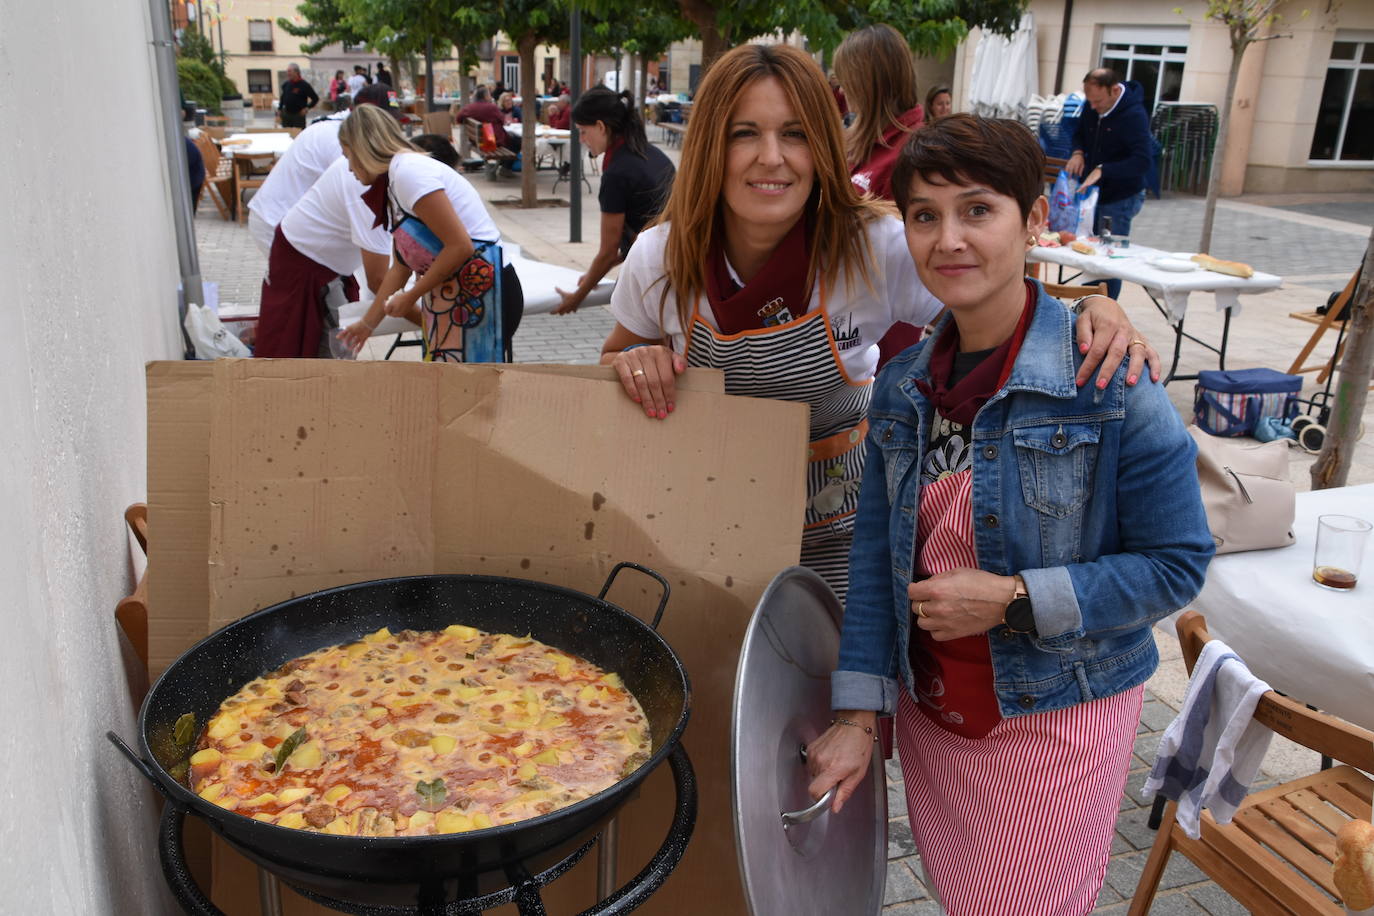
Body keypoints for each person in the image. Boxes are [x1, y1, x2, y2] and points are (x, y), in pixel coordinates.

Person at [804, 114, 1213, 915]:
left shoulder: (1109, 378)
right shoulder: (902, 384)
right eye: (925, 215)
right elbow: (873, 564)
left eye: (977, 209)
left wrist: (1015, 598)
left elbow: (1177, 563)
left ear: (1034, 221)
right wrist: (859, 713)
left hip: (1057, 716)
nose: (949, 238)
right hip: (935, 718)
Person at [596, 44, 1158, 599]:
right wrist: (634, 361)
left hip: (840, 524)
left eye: (794, 133)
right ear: (709, 146)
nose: (772, 157)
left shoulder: (872, 245)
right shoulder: (660, 256)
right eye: (745, 133)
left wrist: (1087, 309)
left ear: (822, 142)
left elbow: (1000, 313)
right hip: (704, 518)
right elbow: (611, 360)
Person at [337, 106, 524, 362]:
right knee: (454, 391)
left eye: (348, 156)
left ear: (364, 150)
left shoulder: (409, 174)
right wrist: (367, 324)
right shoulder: (394, 180)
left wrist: (411, 296)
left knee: (469, 391)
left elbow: (460, 246)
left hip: (486, 294)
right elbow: (400, 268)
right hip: (460, 295)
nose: (349, 168)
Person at [833, 23, 927, 367]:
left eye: (847, 79)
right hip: (844, 309)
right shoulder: (864, 139)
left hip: (882, 329)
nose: (843, 89)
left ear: (870, 82)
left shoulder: (913, 151)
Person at [254, 151, 393, 358]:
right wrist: (422, 321)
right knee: (308, 346)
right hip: (305, 260)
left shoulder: (373, 170)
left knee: (332, 343)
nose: (347, 164)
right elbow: (379, 281)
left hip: (319, 255)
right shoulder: (364, 187)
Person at [554, 86, 675, 315]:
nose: (582, 139)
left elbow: (609, 251)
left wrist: (576, 299)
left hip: (659, 278)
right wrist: (593, 275)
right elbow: (646, 226)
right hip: (679, 266)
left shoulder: (617, 173)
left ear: (600, 127)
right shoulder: (651, 154)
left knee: (618, 349)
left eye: (582, 131)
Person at [247, 82, 400, 257]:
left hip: (285, 218)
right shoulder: (343, 139)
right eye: (387, 122)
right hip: (276, 221)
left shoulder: (344, 129)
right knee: (307, 278)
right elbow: (363, 202)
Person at [1067, 68, 1152, 299]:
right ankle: (1086, 303)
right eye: (1089, 101)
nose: (1093, 107)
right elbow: (1079, 133)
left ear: (1114, 90)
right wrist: (1078, 152)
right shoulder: (1092, 104)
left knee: (1109, 259)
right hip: (1094, 194)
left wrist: (1104, 170)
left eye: (1098, 101)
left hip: (1121, 196)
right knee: (1091, 256)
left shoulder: (1134, 115)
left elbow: (1142, 161)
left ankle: (1104, 309)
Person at [458, 86, 520, 154]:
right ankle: (508, 164)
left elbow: (459, 118)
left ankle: (506, 164)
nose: (491, 97)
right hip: (493, 141)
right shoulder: (491, 107)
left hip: (476, 142)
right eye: (490, 95)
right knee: (518, 141)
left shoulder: (469, 107)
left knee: (514, 139)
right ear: (486, 96)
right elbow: (503, 121)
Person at [279, 64, 319, 130]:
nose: (288, 73)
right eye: (287, 71)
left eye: (289, 71)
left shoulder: (304, 85)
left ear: (296, 72)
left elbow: (315, 99)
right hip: (286, 114)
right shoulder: (286, 84)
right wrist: (280, 109)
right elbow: (283, 97)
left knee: (299, 136)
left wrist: (307, 108)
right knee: (286, 135)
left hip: (298, 115)